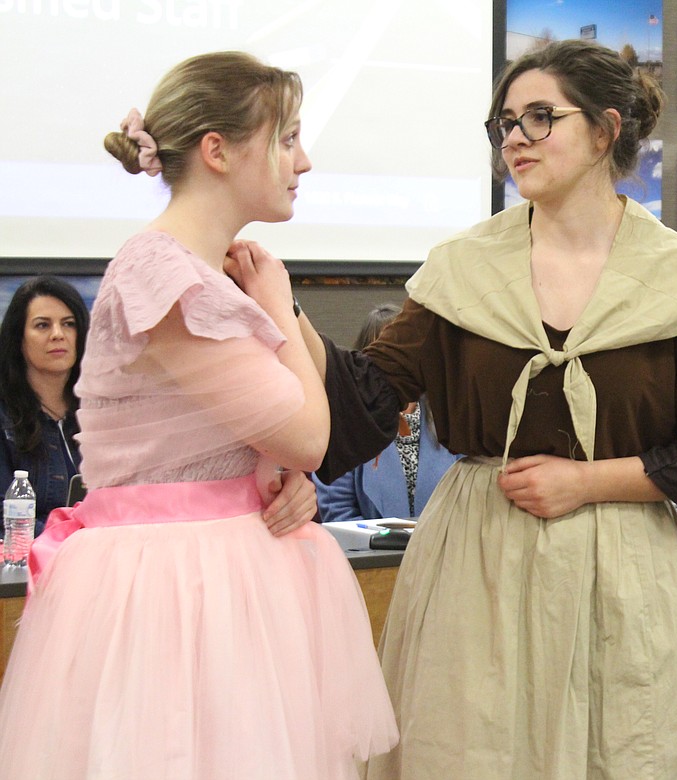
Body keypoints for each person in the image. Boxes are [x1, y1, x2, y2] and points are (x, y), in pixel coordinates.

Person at [242, 38, 677, 780]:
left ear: (606, 130)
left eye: (540, 118)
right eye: (505, 123)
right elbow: (367, 399)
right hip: (477, 561)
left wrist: (588, 482)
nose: (515, 138)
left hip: (621, 570)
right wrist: (282, 309)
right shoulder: (462, 269)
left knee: (618, 750)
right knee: (470, 748)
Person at [0, 51, 395, 778]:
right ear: (217, 150)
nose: (301, 161)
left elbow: (267, 441)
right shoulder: (164, 273)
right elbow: (310, 434)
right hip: (177, 588)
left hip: (221, 572)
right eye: (285, 139)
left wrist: (274, 476)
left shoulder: (199, 273)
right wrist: (278, 302)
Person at [313, 303, 459, 521]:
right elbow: (338, 510)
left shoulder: (450, 416)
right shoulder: (343, 423)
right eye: (389, 357)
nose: (400, 364)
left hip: (444, 549)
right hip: (370, 551)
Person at [0, 275, 88, 536]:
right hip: (29, 565)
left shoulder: (97, 412)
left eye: (69, 324)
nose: (58, 335)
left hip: (99, 556)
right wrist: (65, 538)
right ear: (19, 338)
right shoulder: (4, 417)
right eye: (42, 325)